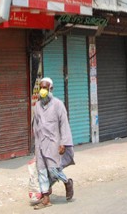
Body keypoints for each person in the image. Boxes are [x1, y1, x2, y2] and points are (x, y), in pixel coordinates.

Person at [32, 77, 74, 209]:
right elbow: (35, 125)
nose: (43, 91)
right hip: (40, 143)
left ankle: (67, 182)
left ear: (51, 89)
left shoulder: (58, 105)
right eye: (41, 88)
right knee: (42, 171)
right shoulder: (37, 106)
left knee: (53, 169)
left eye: (45, 88)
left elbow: (64, 125)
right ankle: (46, 199)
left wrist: (64, 143)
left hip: (54, 143)